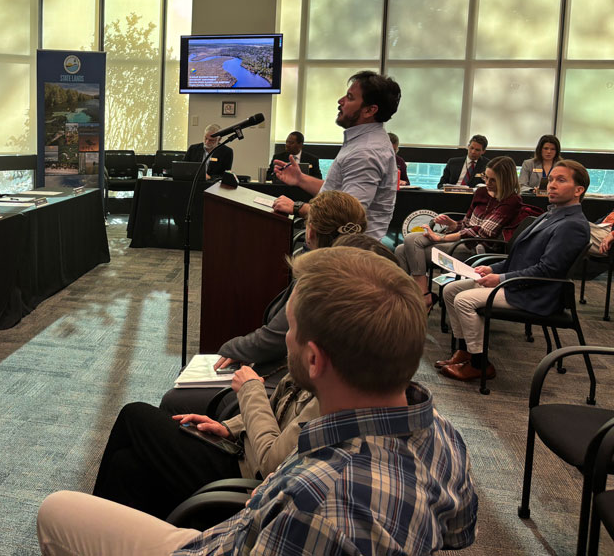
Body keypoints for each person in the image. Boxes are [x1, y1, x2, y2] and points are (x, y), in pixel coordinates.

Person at [38, 247, 478, 556]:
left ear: (313, 358)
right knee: (128, 470)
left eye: (290, 328)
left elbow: (269, 487)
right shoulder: (446, 437)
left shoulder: (318, 500)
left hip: (223, 539)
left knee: (56, 510)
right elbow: (458, 533)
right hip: (255, 511)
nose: (282, 338)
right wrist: (233, 431)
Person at [158, 191, 368, 416]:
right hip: (324, 384)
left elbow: (273, 339)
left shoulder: (317, 280)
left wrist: (230, 348)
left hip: (290, 386)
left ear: (311, 232)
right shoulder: (365, 272)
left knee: (174, 399)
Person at [438, 159, 591, 383]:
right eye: (551, 180)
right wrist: (491, 267)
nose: (552, 185)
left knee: (464, 300)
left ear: (579, 190)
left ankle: (480, 365)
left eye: (561, 180)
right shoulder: (552, 214)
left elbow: (547, 271)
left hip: (536, 292)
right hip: (522, 282)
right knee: (451, 290)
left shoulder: (573, 224)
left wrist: (501, 278)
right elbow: (521, 258)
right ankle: (465, 352)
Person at [271, 70, 400, 239]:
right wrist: (301, 179)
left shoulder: (366, 152)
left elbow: (347, 217)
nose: (340, 101)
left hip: (345, 252)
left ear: (369, 110)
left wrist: (297, 207)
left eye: (350, 97)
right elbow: (338, 195)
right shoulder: (362, 142)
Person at [397, 156, 523, 308]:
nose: (487, 183)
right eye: (486, 178)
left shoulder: (512, 201)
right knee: (406, 244)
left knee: (404, 250)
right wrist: (451, 224)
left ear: (505, 181)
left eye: (493, 180)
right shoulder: (481, 192)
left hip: (476, 248)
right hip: (461, 241)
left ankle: (413, 297)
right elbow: (467, 223)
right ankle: (417, 294)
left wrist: (442, 238)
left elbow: (483, 233)